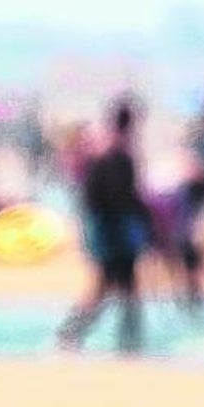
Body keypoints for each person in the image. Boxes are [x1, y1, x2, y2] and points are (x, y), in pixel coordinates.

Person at [56, 99, 154, 354]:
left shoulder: (107, 152)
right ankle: (122, 340)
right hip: (114, 228)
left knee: (116, 285)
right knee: (115, 285)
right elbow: (122, 195)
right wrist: (147, 221)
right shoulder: (118, 155)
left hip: (107, 226)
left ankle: (124, 340)